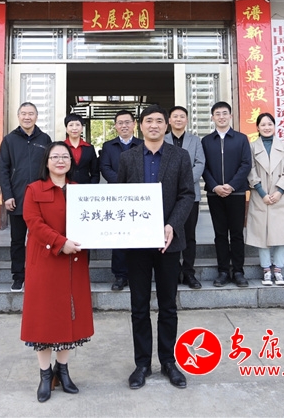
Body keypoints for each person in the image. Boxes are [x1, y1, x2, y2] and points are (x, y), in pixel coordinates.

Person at [117, 105, 194, 390]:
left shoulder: (180, 156)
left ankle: (169, 362)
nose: (154, 125)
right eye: (148, 121)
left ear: (166, 126)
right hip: (137, 243)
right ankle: (142, 364)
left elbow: (187, 194)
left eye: (159, 121)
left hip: (168, 243)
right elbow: (120, 196)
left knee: (168, 306)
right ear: (140, 125)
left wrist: (172, 225)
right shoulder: (128, 158)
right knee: (139, 306)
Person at [21, 141, 94, 403]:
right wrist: (59, 242)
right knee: (43, 318)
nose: (61, 161)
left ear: (71, 163)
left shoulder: (78, 191)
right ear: (47, 162)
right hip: (45, 262)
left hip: (74, 262)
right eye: (55, 157)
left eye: (65, 156)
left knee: (69, 318)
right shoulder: (34, 189)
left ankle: (62, 371)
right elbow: (33, 222)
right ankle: (45, 375)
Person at [0, 102, 51, 292]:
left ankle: (40, 274)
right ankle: (18, 276)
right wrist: (7, 196)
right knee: (18, 240)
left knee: (41, 239)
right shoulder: (9, 140)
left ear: (36, 116)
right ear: (18, 116)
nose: (27, 117)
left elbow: (50, 167)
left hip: (40, 199)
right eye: (24, 113)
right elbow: (2, 169)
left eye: (31, 113)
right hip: (17, 198)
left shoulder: (45, 139)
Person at [201, 101, 252, 288]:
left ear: (230, 116)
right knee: (220, 233)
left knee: (237, 233)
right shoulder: (206, 141)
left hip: (236, 193)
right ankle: (223, 271)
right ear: (212, 117)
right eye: (217, 114)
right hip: (215, 194)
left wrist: (231, 185)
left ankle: (238, 271)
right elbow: (203, 166)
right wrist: (215, 186)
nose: (221, 117)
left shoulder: (241, 139)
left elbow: (246, 164)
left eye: (224, 113)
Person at [246, 112, 284, 286]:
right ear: (257, 127)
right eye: (263, 124)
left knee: (281, 234)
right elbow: (250, 170)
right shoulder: (252, 147)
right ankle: (266, 269)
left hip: (279, 197)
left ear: (274, 126)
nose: (267, 127)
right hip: (260, 196)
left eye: (270, 124)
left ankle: (278, 270)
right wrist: (261, 192)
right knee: (261, 234)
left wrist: (279, 191)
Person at [99, 110, 143, 291]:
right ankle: (120, 275)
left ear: (134, 124)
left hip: (138, 196)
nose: (124, 126)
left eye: (127, 122)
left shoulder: (142, 144)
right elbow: (105, 167)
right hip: (116, 196)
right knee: (119, 235)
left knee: (137, 234)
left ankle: (137, 274)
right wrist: (121, 183)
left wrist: (132, 185)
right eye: (120, 123)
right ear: (115, 126)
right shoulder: (108, 146)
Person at [165, 106, 206, 289]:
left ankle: (189, 272)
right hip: (167, 196)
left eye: (182, 116)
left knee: (189, 235)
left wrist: (185, 181)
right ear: (169, 121)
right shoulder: (162, 139)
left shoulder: (195, 140)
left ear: (187, 120)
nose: (179, 119)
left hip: (190, 195)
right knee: (170, 233)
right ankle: (173, 272)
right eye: (175, 116)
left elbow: (200, 163)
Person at [63, 113, 100, 185]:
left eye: (77, 125)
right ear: (66, 129)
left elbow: (95, 173)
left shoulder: (89, 148)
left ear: (82, 128)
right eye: (71, 125)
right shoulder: (61, 147)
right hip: (65, 186)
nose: (74, 128)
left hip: (85, 187)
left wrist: (91, 186)